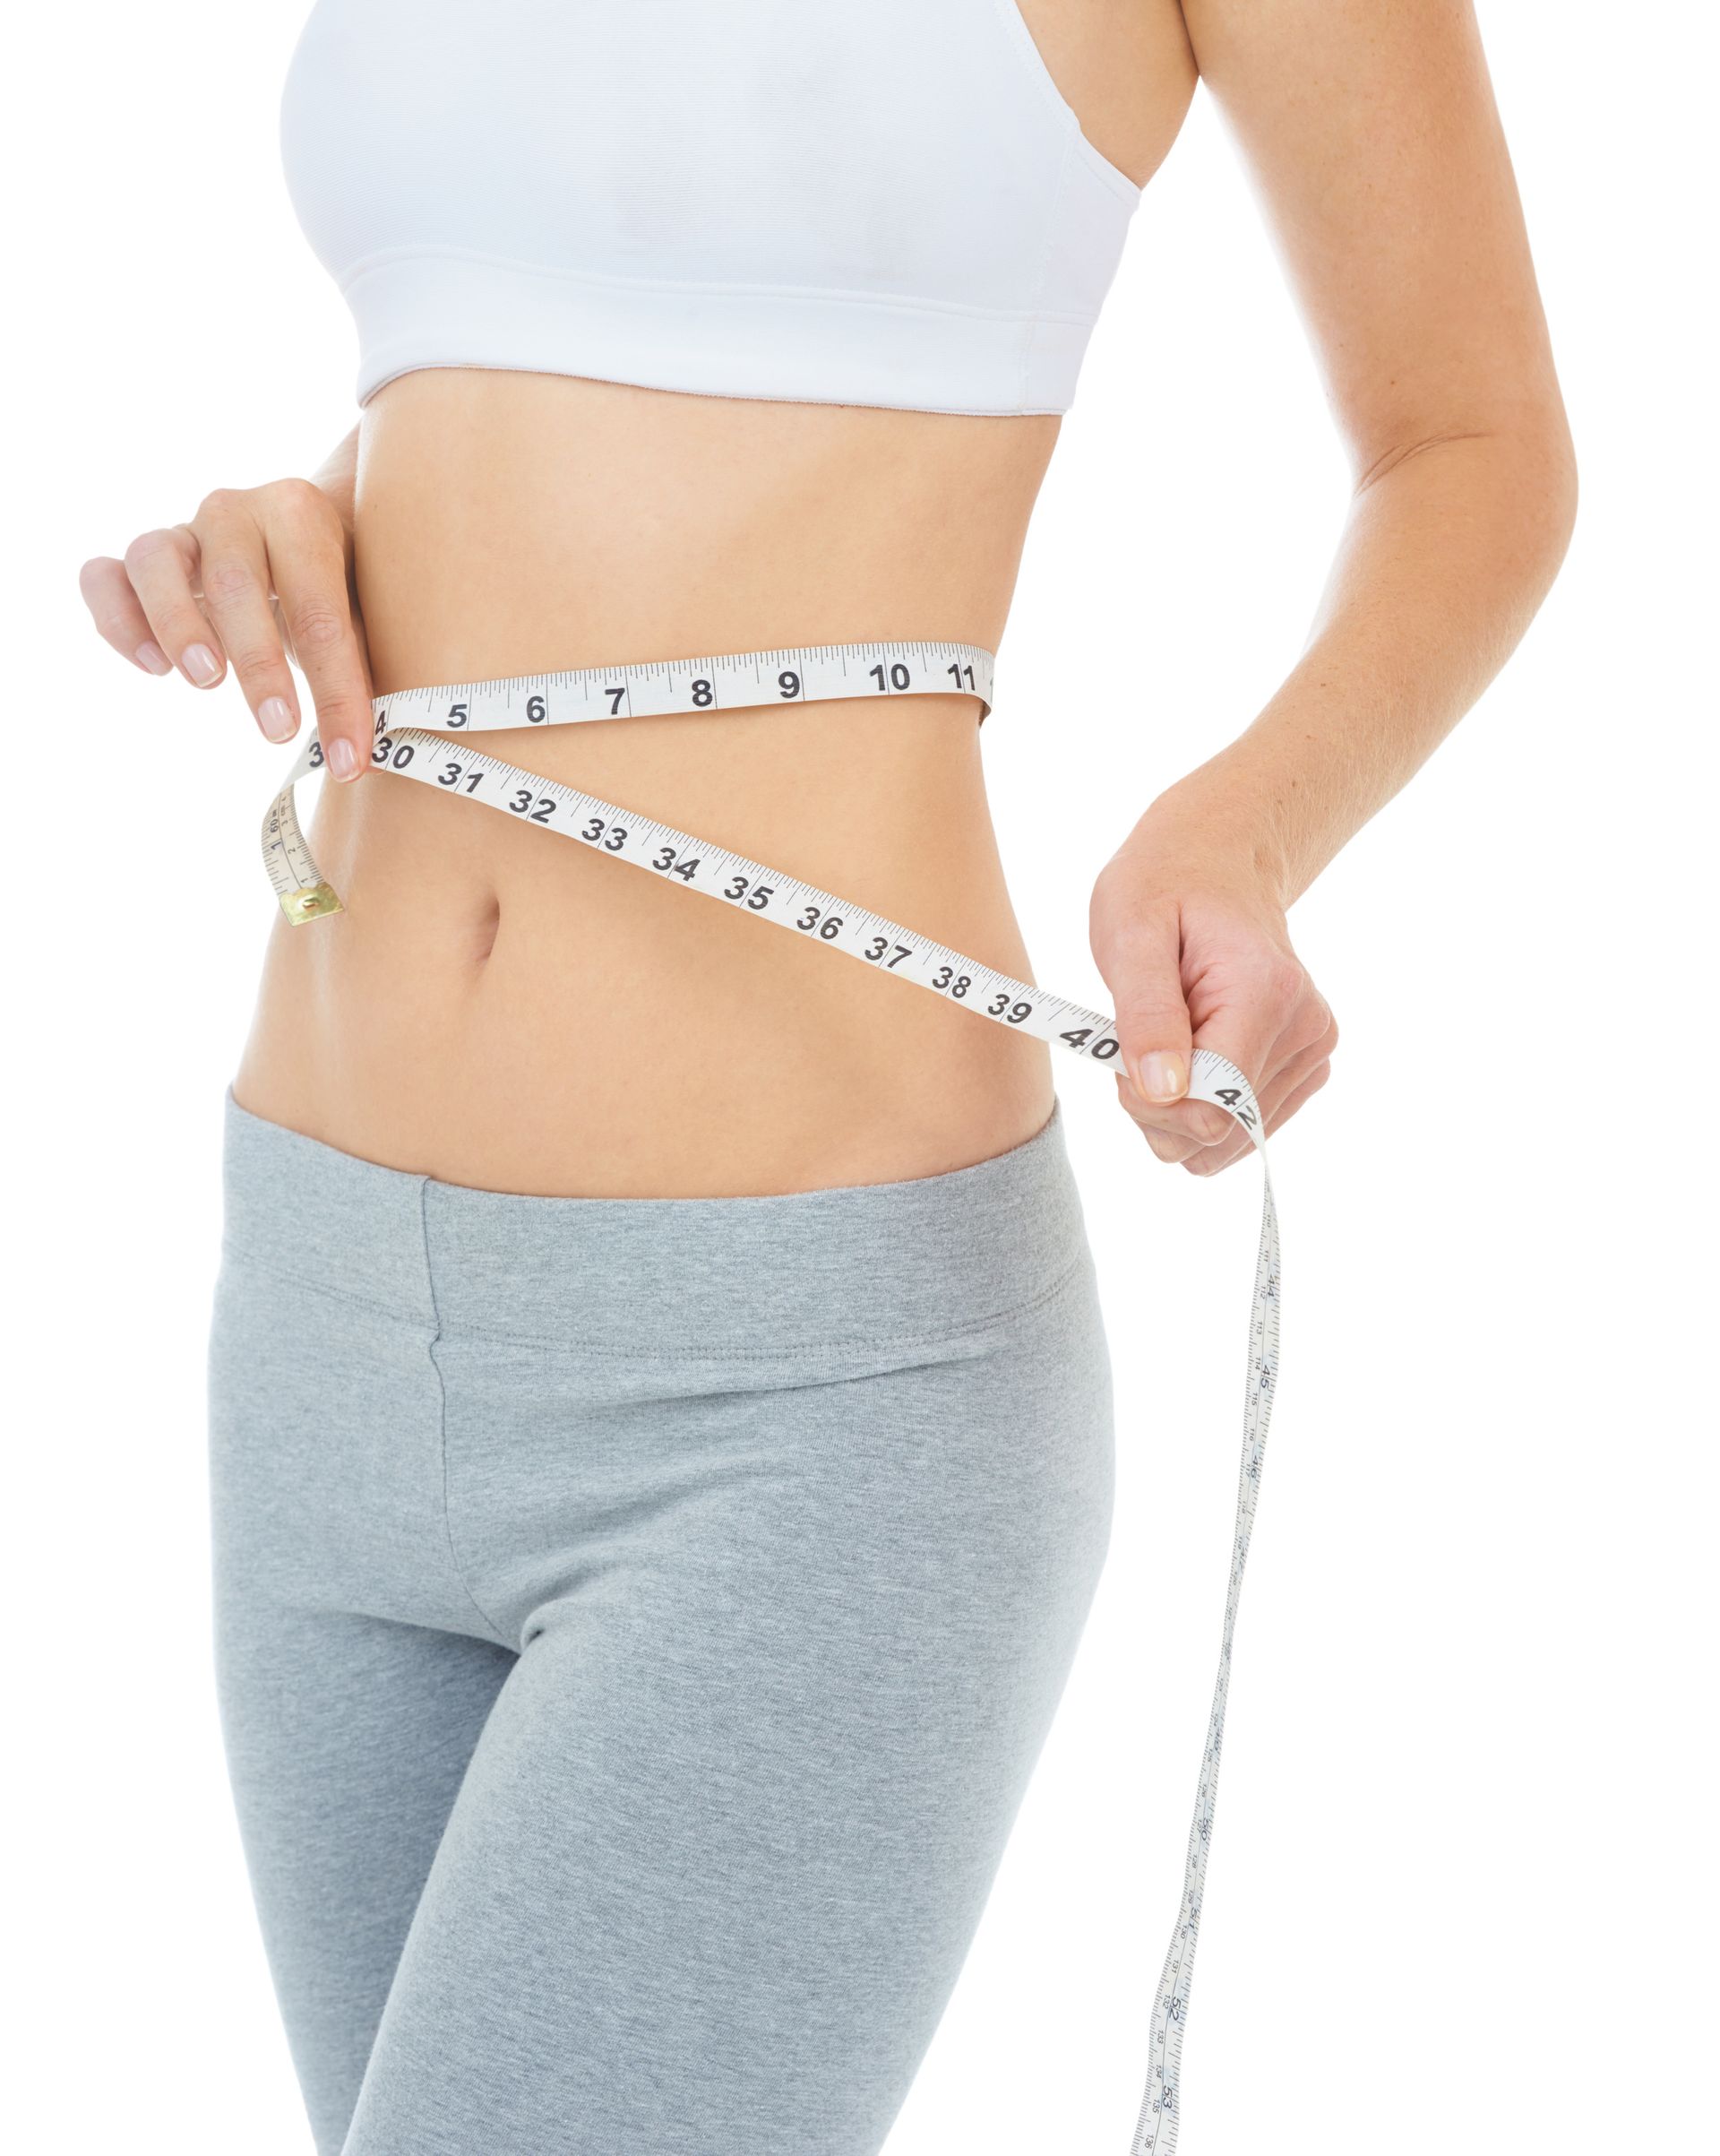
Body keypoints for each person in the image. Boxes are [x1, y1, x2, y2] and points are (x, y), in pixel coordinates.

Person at [76, 4, 1574, 2151]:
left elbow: (1476, 438)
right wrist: (300, 525)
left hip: (797, 1393)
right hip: (313, 1292)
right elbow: (542, 356)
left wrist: (1243, 827)